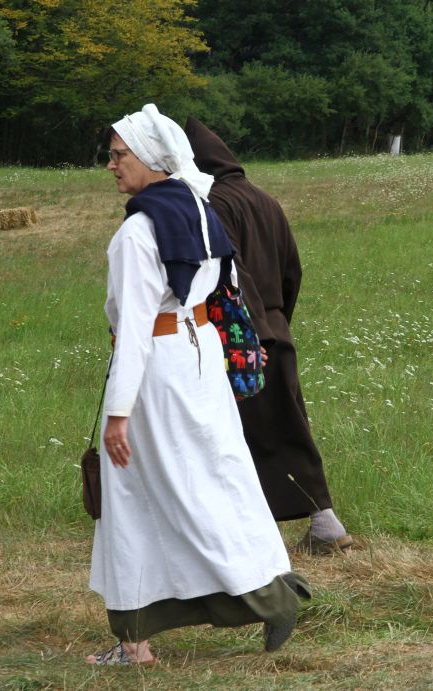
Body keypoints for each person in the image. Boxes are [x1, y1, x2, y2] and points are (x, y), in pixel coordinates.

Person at [86, 104, 310, 666]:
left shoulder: (139, 232)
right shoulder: (200, 210)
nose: (111, 165)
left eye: (119, 155)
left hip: (160, 371)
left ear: (151, 158)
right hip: (200, 357)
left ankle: (262, 601)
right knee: (216, 480)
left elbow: (135, 328)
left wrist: (118, 412)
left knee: (150, 496)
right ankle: (149, 632)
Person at [184, 117, 353, 555]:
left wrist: (254, 332)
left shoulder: (214, 204)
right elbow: (292, 270)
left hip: (244, 335)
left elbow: (233, 273)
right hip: (274, 328)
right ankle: (322, 523)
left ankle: (276, 533)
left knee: (249, 434)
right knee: (288, 426)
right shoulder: (266, 200)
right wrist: (279, 323)